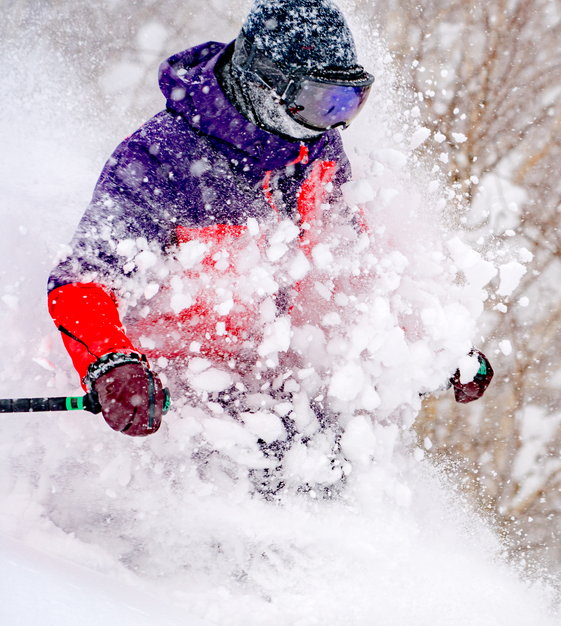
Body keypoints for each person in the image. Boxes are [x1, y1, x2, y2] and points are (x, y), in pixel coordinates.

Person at [47, 0, 491, 441]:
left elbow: (354, 272)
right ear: (262, 86)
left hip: (278, 396)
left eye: (349, 101)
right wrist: (112, 363)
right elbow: (81, 281)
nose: (334, 122)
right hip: (173, 408)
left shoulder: (316, 150)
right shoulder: (159, 160)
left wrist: (432, 346)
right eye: (320, 101)